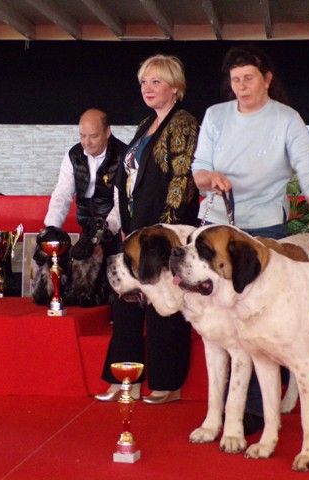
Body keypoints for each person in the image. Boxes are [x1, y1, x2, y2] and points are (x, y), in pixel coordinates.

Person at [192, 44, 309, 433]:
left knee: (259, 322)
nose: (241, 86)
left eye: (249, 78)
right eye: (235, 80)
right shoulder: (215, 115)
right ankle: (220, 407)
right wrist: (210, 178)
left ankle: (254, 409)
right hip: (216, 229)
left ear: (267, 79)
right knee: (218, 320)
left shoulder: (287, 119)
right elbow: (198, 170)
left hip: (265, 233)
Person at [95, 54, 200, 404]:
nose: (148, 88)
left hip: (163, 231)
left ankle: (168, 382)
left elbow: (183, 179)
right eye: (144, 82)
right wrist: (127, 227)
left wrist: (163, 232)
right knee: (126, 300)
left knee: (163, 303)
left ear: (175, 87)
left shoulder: (183, 123)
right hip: (136, 229)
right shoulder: (145, 124)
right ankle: (126, 376)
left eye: (156, 81)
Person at [44, 108, 127, 236]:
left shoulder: (124, 156)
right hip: (86, 229)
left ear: (107, 132)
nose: (87, 143)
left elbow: (121, 203)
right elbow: (62, 194)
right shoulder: (73, 155)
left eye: (93, 136)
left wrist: (104, 233)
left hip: (115, 231)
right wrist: (51, 227)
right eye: (82, 136)